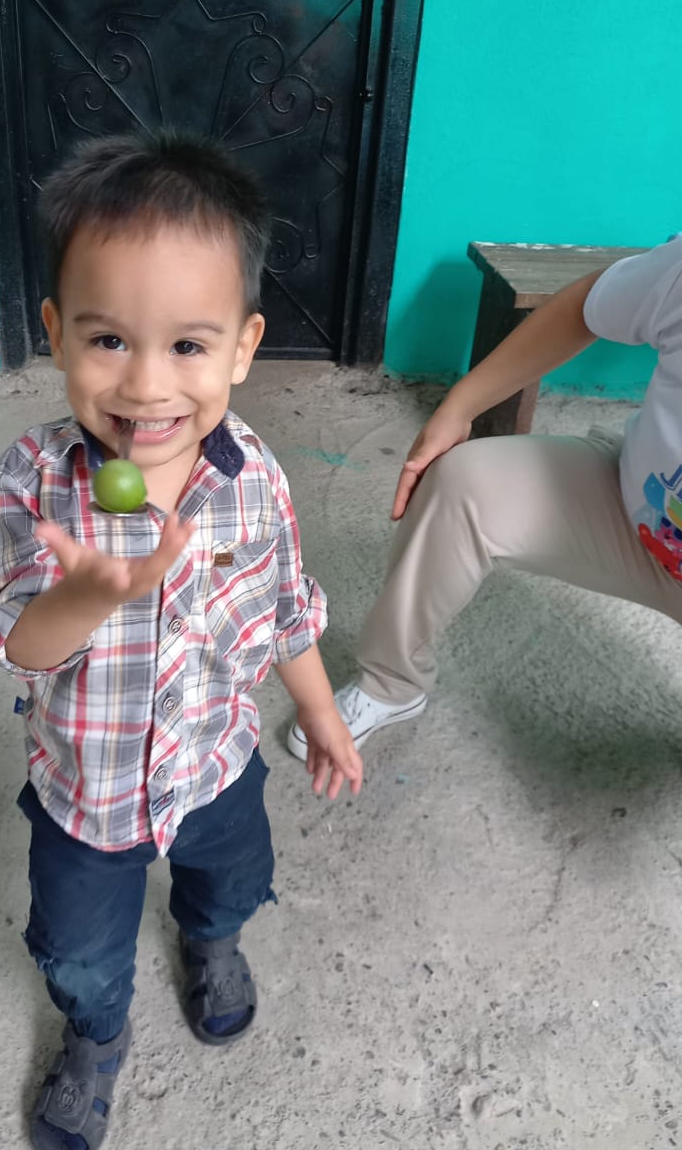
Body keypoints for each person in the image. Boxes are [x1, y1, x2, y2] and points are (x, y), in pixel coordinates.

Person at [0, 132, 362, 1150]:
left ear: (243, 346)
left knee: (231, 876)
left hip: (216, 765)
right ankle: (97, 1032)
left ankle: (211, 936)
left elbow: (282, 608)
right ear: (55, 331)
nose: (147, 386)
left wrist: (320, 708)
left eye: (188, 345)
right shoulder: (32, 482)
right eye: (108, 338)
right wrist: (84, 598)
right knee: (78, 947)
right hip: (87, 795)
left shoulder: (255, 479)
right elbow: (14, 640)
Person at [288, 234, 682, 760]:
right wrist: (459, 406)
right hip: (635, 512)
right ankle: (392, 684)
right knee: (462, 483)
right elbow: (589, 304)